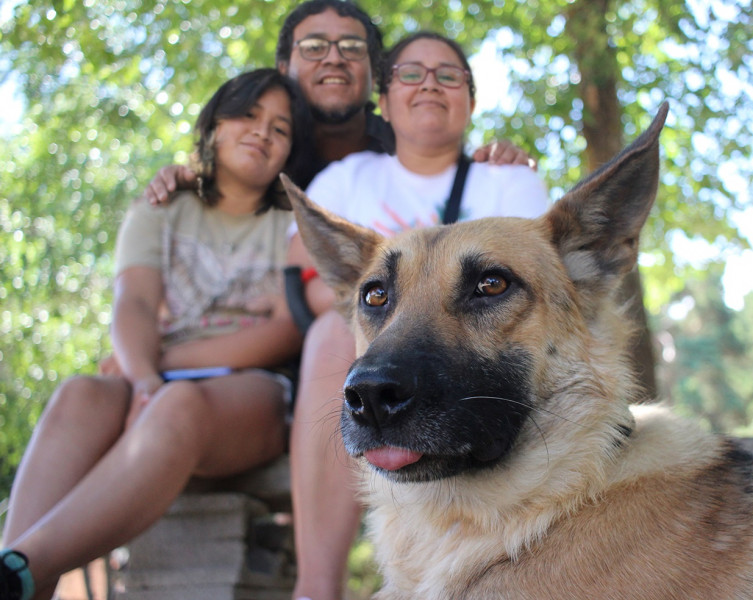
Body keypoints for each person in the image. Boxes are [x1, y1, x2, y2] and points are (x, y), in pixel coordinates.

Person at [0, 68, 309, 600]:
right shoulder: (162, 208)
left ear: (288, 153)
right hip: (159, 366)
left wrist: (161, 371)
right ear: (212, 126)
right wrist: (143, 379)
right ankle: (24, 579)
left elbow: (283, 333)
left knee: (179, 404)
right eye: (249, 115)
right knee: (81, 393)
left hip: (253, 388)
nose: (263, 132)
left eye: (280, 129)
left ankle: (22, 568)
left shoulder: (292, 224)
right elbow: (135, 303)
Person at [288, 30, 549, 600]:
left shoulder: (509, 179)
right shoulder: (344, 181)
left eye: (448, 74)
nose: (430, 82)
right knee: (338, 330)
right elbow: (312, 289)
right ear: (383, 100)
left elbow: (554, 292)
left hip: (469, 372)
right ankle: (315, 590)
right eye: (411, 73)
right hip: (345, 352)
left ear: (470, 102)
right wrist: (376, 305)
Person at [141, 0, 532, 207]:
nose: (333, 58)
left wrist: (502, 164)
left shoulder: (412, 150)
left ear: (375, 74)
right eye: (313, 47)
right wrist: (195, 183)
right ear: (283, 66)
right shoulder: (258, 146)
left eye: (351, 47)